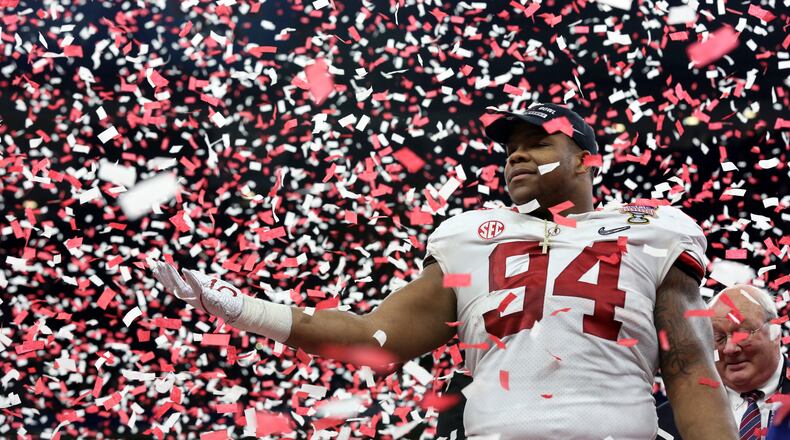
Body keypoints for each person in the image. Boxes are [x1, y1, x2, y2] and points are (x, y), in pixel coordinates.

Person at [153, 103, 738, 439]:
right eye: (510, 147)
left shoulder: (654, 230)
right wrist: (240, 309)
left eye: (536, 143)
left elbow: (689, 365)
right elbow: (374, 339)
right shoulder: (469, 240)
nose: (515, 155)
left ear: (585, 160)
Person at [658, 284, 788, 440]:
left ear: (775, 332)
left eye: (743, 334)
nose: (729, 349)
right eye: (718, 338)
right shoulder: (665, 422)